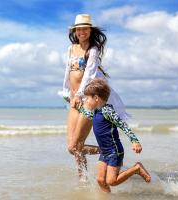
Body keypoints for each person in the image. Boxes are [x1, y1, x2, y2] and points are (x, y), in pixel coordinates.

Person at [62, 14, 130, 180]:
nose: (81, 32)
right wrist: (66, 92)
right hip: (74, 100)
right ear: (75, 31)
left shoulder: (93, 49)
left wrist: (79, 94)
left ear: (90, 30)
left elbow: (89, 73)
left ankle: (108, 152)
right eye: (79, 29)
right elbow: (67, 72)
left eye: (85, 28)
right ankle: (83, 177)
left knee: (75, 145)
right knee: (72, 148)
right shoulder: (71, 48)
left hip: (87, 101)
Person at [80, 78, 151, 192]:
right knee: (100, 180)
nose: (86, 101)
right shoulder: (96, 110)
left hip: (114, 151)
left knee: (111, 181)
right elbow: (86, 113)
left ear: (96, 98)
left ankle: (136, 168)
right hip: (105, 151)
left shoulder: (107, 111)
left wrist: (134, 140)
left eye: (88, 98)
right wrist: (75, 104)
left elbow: (122, 124)